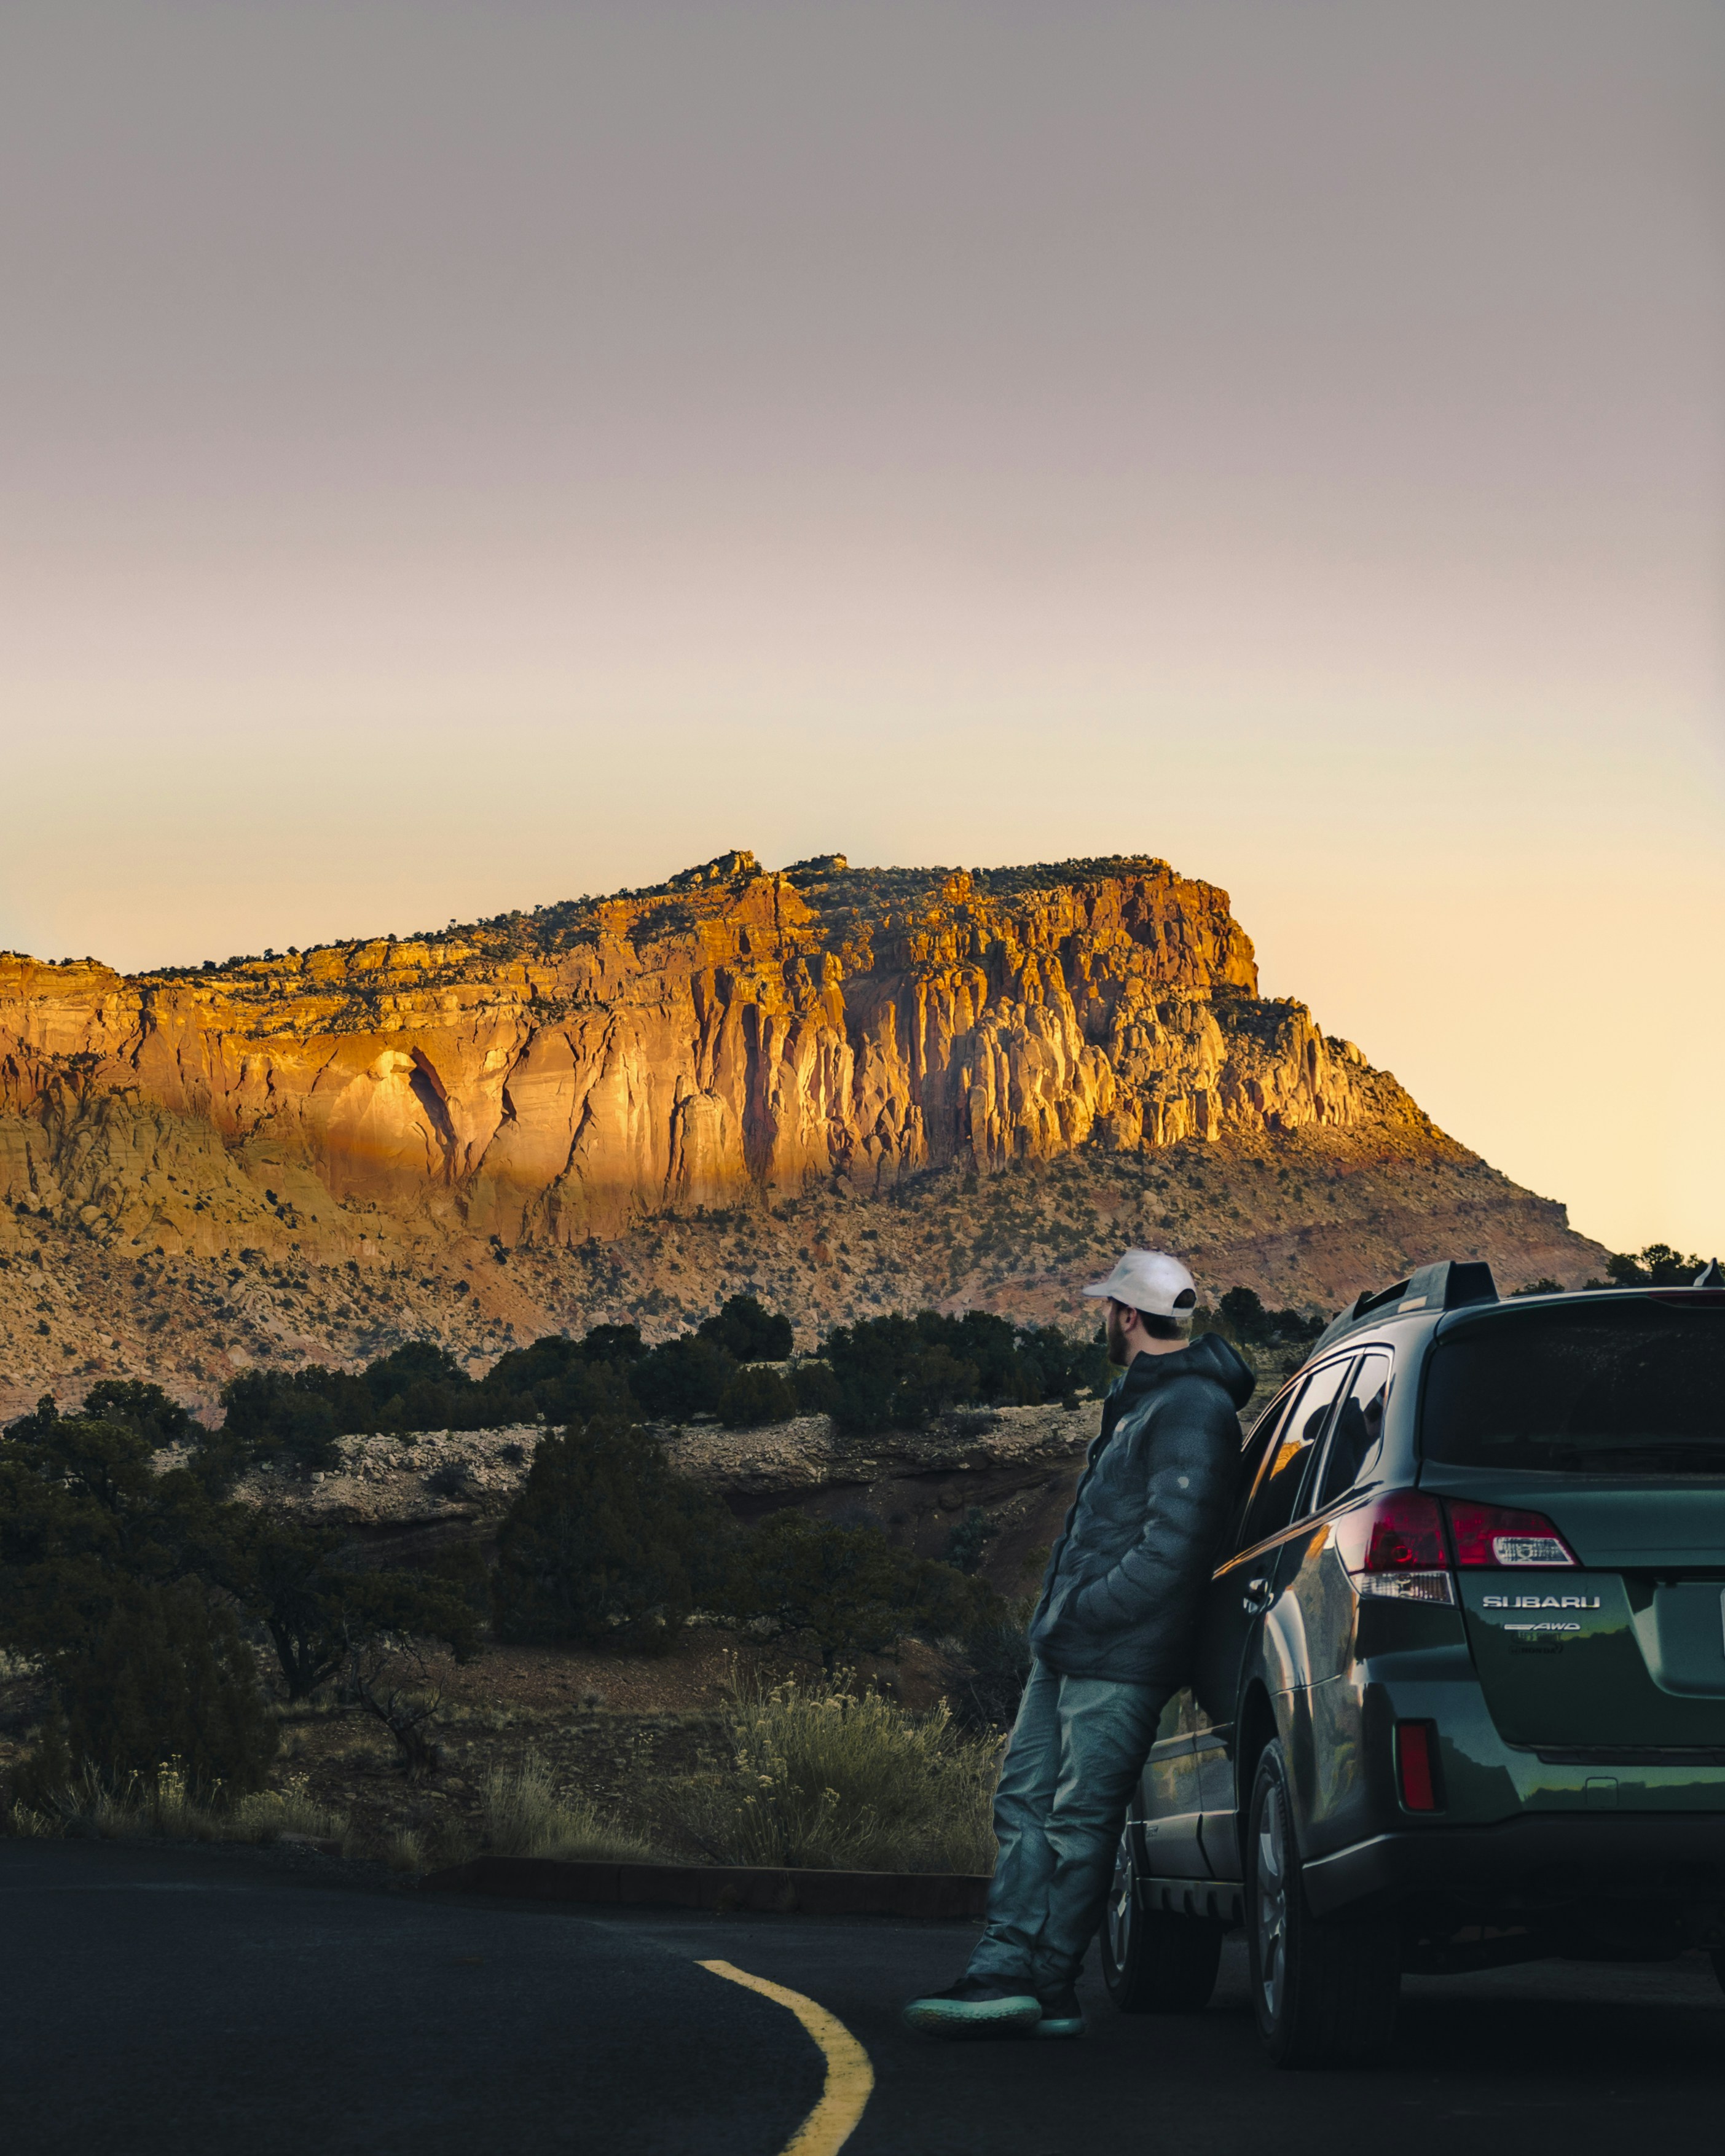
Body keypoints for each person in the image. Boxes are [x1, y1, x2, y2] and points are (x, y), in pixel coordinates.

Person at [903, 1249, 1254, 2040]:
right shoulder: (1142, 1403)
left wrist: (1084, 1612)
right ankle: (1006, 1972)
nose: (1103, 1319)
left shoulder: (1191, 1409)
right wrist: (1061, 1625)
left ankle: (1042, 1982)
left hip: (1117, 1658)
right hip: (1069, 1648)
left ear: (1128, 1316)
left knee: (1078, 1820)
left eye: (1108, 1308)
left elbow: (1175, 1552)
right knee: (1023, 1804)